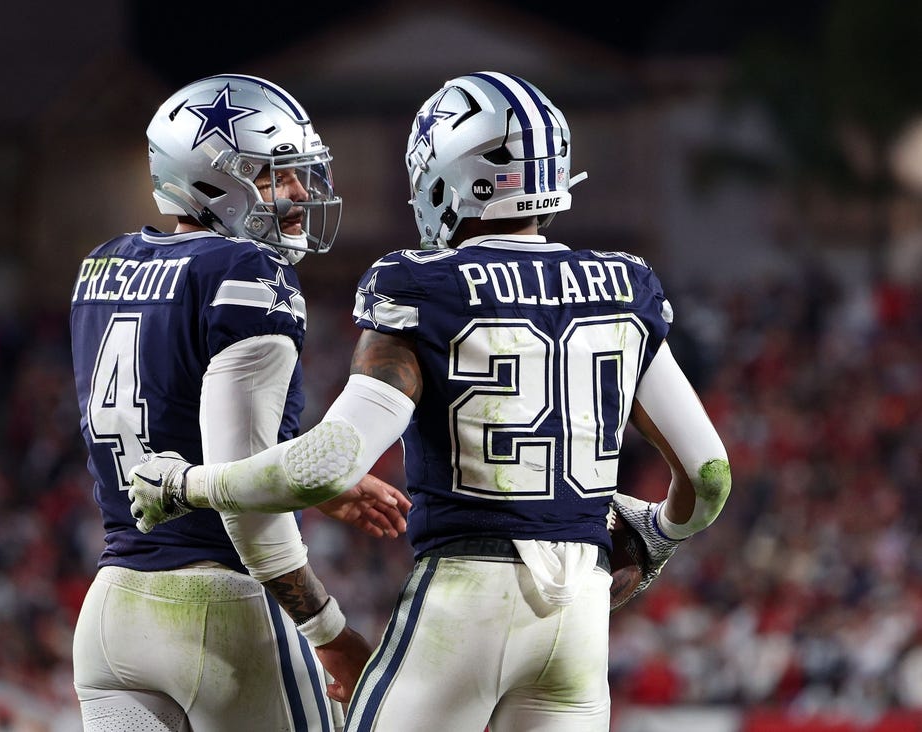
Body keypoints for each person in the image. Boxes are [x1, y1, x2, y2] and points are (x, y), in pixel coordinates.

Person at [127, 71, 731, 731]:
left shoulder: (418, 285)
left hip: (465, 605)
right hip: (578, 620)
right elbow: (707, 475)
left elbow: (330, 461)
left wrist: (188, 484)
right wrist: (658, 536)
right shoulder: (626, 283)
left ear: (451, 174)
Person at [69, 73, 409, 731]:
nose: (299, 194)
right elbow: (241, 506)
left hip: (112, 615)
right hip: (220, 612)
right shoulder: (247, 273)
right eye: (275, 175)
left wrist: (304, 486)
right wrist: (330, 631)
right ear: (210, 179)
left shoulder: (104, 265)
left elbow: (182, 430)